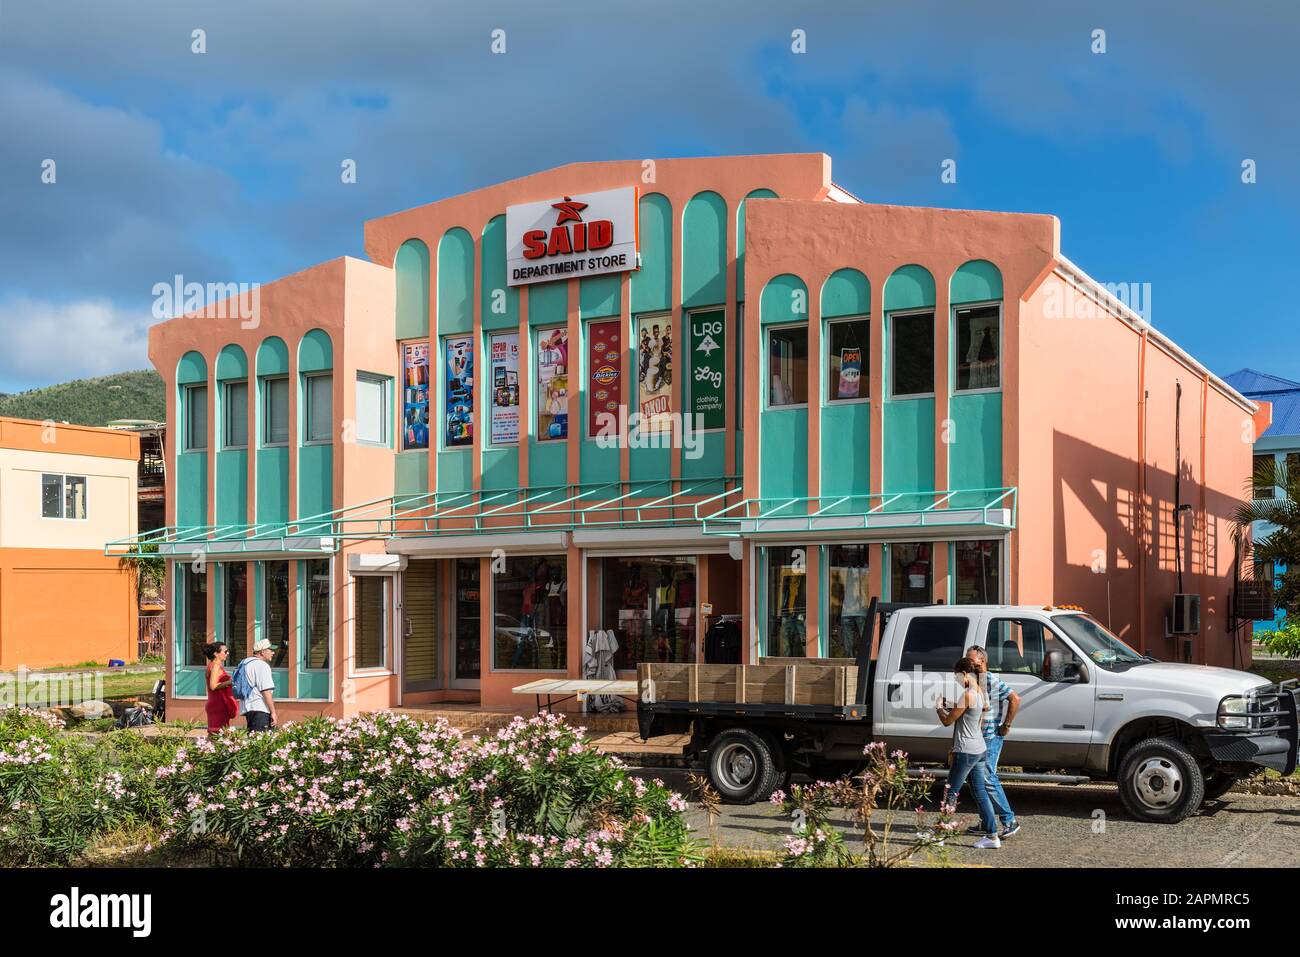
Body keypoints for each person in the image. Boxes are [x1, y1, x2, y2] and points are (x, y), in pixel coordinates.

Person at [936, 657, 1001, 849]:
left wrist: (939, 706)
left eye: (956, 676)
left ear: (964, 674)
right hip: (979, 749)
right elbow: (975, 715)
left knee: (951, 792)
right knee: (980, 792)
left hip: (965, 751)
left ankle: (939, 836)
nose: (956, 680)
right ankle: (992, 836)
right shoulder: (979, 692)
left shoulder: (967, 695)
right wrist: (951, 704)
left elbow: (948, 721)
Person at [965, 645, 1021, 838]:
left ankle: (1009, 820)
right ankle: (986, 822)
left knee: (988, 777)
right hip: (978, 737)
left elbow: (1015, 699)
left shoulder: (991, 679)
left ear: (982, 660)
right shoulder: (974, 680)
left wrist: (1006, 725)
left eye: (971, 659)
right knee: (975, 780)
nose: (968, 663)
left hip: (990, 736)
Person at [236, 638, 279, 732]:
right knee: (261, 742)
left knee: (253, 739)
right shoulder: (262, 665)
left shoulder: (245, 663)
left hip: (248, 708)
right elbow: (266, 691)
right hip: (261, 708)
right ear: (263, 652)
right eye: (271, 650)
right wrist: (273, 712)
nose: (273, 653)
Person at [203, 641, 237, 736]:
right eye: (225, 651)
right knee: (221, 735)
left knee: (216, 735)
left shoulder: (211, 665)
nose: (227, 653)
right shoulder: (216, 666)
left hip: (215, 704)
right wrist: (231, 681)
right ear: (216, 653)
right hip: (219, 705)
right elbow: (213, 686)